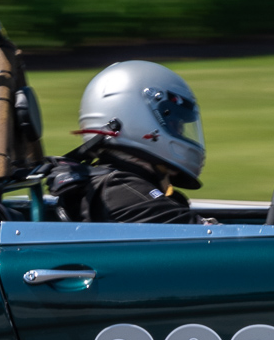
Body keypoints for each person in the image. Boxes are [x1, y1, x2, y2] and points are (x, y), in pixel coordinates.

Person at [46, 61, 207, 224]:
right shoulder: (118, 188)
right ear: (135, 115)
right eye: (173, 123)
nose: (179, 132)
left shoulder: (114, 184)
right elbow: (201, 234)